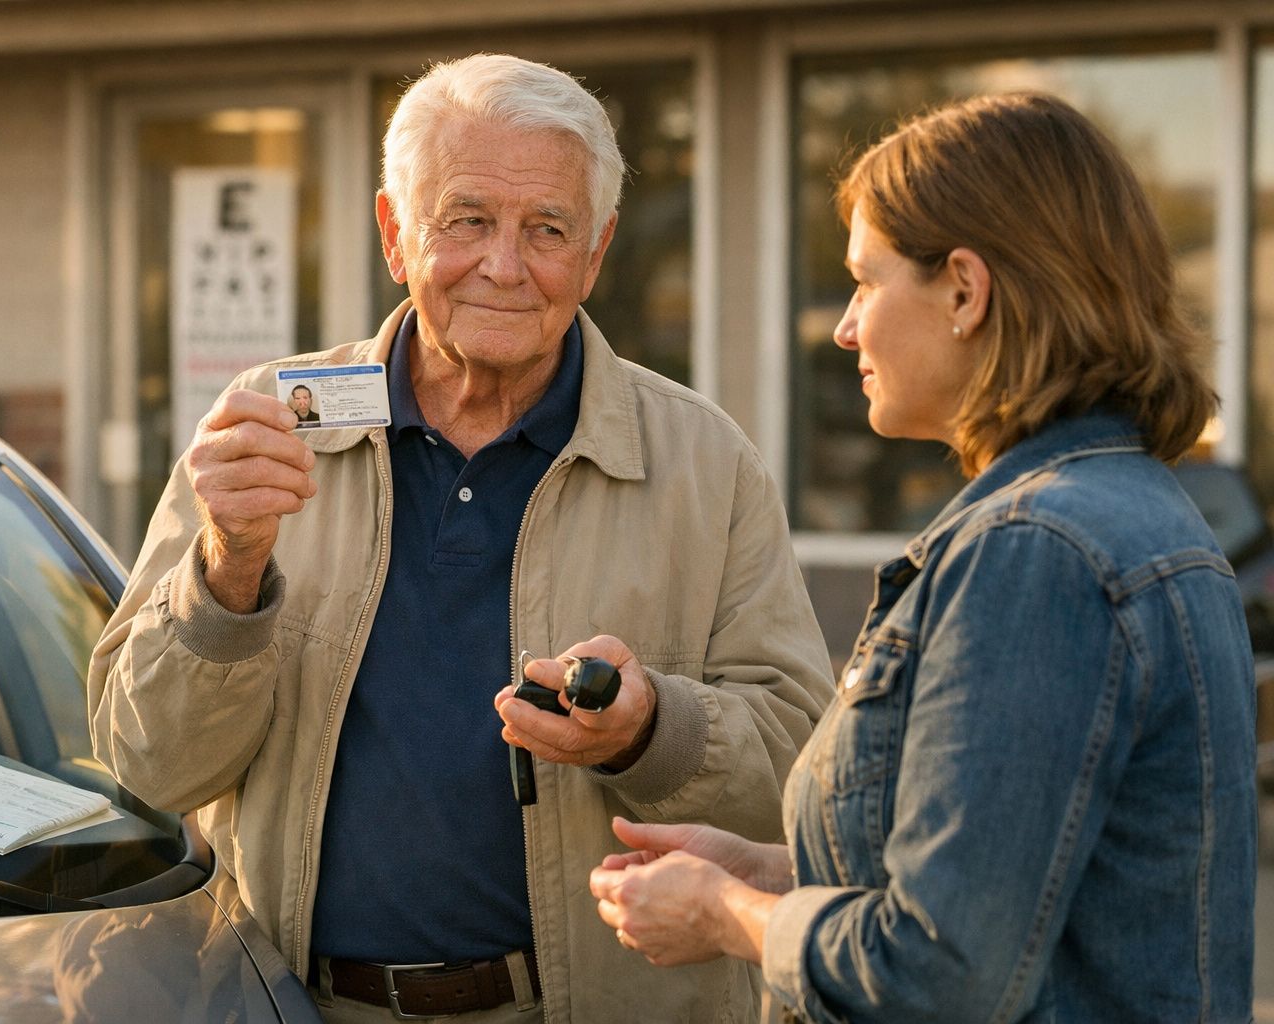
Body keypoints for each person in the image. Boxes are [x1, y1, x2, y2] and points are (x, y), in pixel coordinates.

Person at [88, 52, 835, 1024]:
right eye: (467, 220)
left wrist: (651, 730)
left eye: (548, 229)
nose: (505, 266)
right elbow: (150, 764)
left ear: (596, 252)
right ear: (395, 234)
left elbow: (802, 783)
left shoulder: (705, 461)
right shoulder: (269, 427)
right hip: (300, 1008)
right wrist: (229, 567)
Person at [589, 92, 1258, 1022]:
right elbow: (1015, 890)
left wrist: (725, 914)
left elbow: (938, 971)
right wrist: (768, 875)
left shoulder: (1036, 555)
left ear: (965, 292)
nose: (844, 327)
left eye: (865, 282)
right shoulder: (1129, 511)